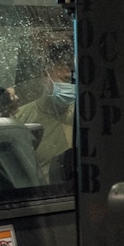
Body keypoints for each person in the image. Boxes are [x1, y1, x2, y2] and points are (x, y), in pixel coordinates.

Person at [14, 34, 76, 184]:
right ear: (44, 74)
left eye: (74, 81)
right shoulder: (20, 119)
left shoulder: (84, 118)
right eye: (65, 79)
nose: (71, 86)